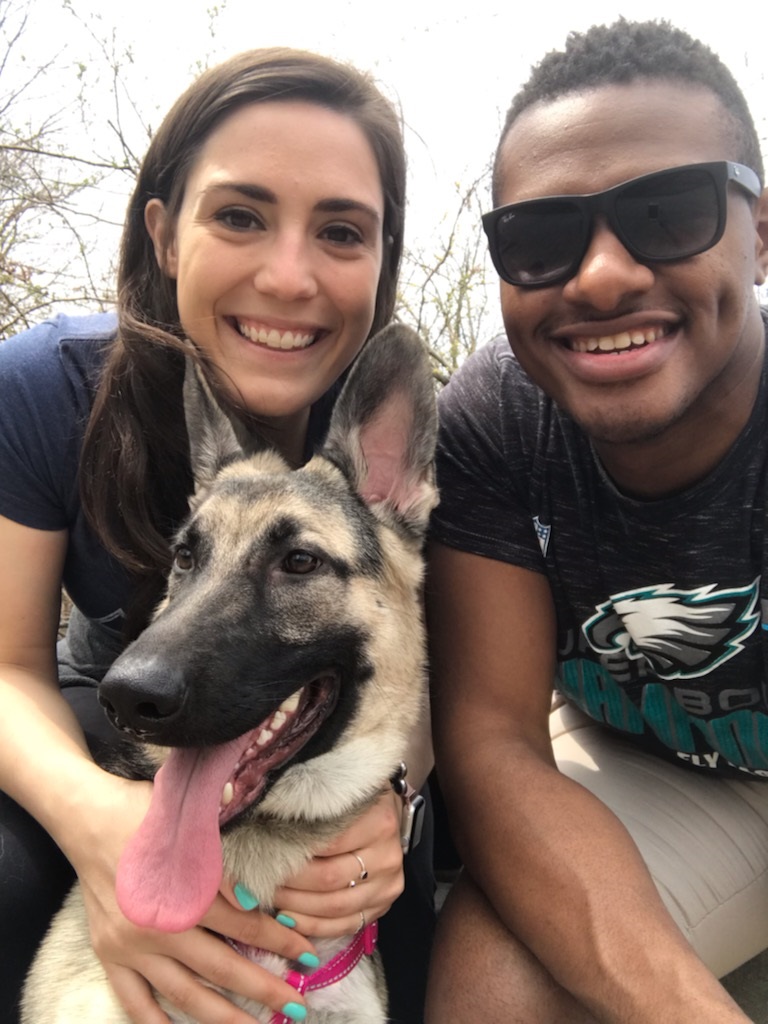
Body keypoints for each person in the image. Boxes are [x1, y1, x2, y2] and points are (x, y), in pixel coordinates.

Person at [0, 48, 435, 1024]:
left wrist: (395, 799)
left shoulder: (390, 449)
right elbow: (2, 664)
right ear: (163, 232)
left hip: (319, 720)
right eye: (240, 216)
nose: (288, 277)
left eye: (339, 231)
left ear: (381, 255)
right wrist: (105, 830)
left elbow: (418, 663)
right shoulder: (45, 385)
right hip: (105, 703)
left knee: (402, 886)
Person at [426, 18, 768, 1024]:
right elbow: (491, 739)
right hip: (649, 769)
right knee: (496, 983)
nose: (603, 275)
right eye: (540, 238)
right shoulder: (491, 422)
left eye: (668, 213)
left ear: (759, 233)